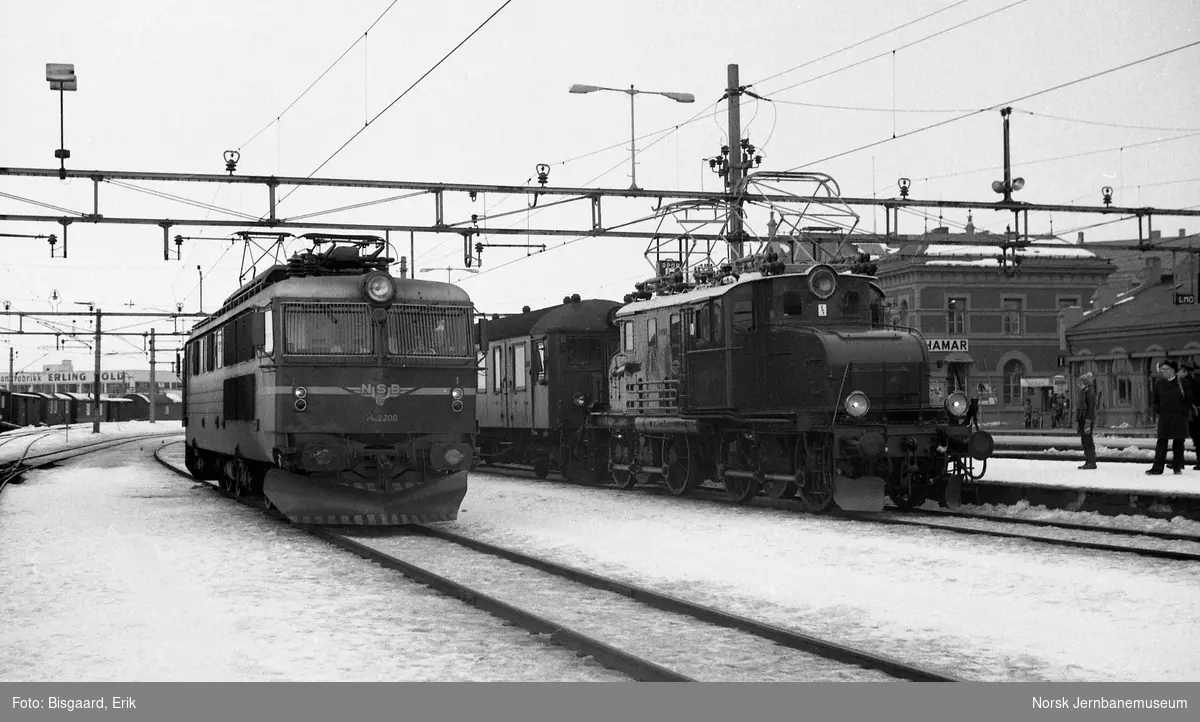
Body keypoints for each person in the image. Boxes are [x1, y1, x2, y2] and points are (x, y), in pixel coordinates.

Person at [1146, 360, 1194, 476]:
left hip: (1179, 417)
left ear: (1172, 370)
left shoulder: (1183, 383)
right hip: (1165, 417)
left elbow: (1189, 399)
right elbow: (1155, 400)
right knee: (1161, 442)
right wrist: (1158, 410)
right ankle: (1157, 468)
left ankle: (1177, 467)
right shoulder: (1159, 384)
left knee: (1178, 442)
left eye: (1165, 369)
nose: (1163, 372)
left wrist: (1183, 411)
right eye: (1162, 369)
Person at [1075, 373, 1097, 470]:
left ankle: (1092, 462)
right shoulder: (1083, 393)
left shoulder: (1089, 394)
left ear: (1085, 384)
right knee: (1084, 440)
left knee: (1088, 441)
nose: (1078, 385)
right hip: (1082, 420)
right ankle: (1088, 461)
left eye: (1080, 383)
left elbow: (1091, 409)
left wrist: (1088, 423)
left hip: (1086, 420)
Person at [1185, 362, 1200, 471]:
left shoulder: (1188, 383)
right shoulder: (1195, 381)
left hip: (1193, 414)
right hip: (1195, 413)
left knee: (1197, 438)